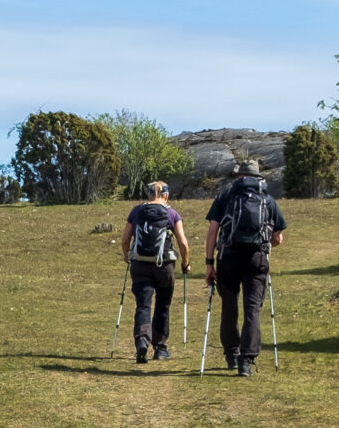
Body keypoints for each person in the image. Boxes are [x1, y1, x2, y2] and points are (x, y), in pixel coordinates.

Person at [204, 160, 287, 377]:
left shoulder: (225, 196)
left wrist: (209, 263)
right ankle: (246, 361)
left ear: (238, 177)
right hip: (256, 259)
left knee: (229, 306)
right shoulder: (267, 199)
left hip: (228, 257)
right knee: (252, 308)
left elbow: (213, 231)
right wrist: (264, 244)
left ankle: (231, 354)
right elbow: (278, 238)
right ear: (259, 177)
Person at [121, 181, 191, 363]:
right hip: (165, 266)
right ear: (166, 195)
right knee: (162, 306)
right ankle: (160, 348)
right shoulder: (172, 214)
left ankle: (142, 340)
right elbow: (183, 242)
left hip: (140, 264)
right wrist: (185, 263)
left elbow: (125, 239)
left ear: (149, 194)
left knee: (143, 304)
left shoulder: (136, 211)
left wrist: (126, 255)